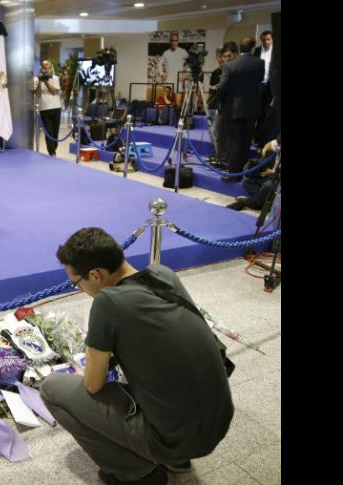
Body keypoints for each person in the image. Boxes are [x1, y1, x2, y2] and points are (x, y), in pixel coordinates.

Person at [40, 227, 234, 485]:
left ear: (95, 275)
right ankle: (177, 460)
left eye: (77, 283)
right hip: (218, 422)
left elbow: (93, 384)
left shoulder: (108, 302)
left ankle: (136, 474)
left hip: (176, 439)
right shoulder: (163, 275)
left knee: (52, 389)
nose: (80, 289)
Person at [214, 36, 264, 180]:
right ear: (253, 48)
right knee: (246, 142)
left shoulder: (230, 65)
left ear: (240, 48)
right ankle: (242, 172)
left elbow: (222, 87)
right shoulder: (260, 63)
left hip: (232, 109)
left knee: (234, 142)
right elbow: (261, 83)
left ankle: (233, 173)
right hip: (252, 109)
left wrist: (220, 102)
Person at [226, 134, 281, 211]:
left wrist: (272, 172)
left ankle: (255, 204)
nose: (279, 147)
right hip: (271, 175)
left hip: (278, 178)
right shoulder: (279, 143)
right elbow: (269, 145)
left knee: (267, 186)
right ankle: (263, 202)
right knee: (246, 181)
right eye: (279, 145)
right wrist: (264, 151)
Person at [32, 60, 62, 156]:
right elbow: (37, 94)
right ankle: (51, 152)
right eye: (44, 68)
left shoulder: (55, 78)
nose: (46, 70)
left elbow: (54, 92)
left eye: (48, 68)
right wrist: (40, 82)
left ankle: (54, 148)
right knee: (48, 131)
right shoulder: (36, 80)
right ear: (41, 69)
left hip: (56, 107)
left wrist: (46, 82)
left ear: (51, 68)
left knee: (55, 131)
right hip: (44, 108)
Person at [253, 30, 274, 146]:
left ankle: (259, 136)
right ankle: (252, 134)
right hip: (258, 85)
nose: (266, 42)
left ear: (272, 40)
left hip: (270, 86)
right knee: (255, 110)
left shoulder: (276, 51)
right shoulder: (257, 51)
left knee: (265, 112)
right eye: (263, 40)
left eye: (268, 39)